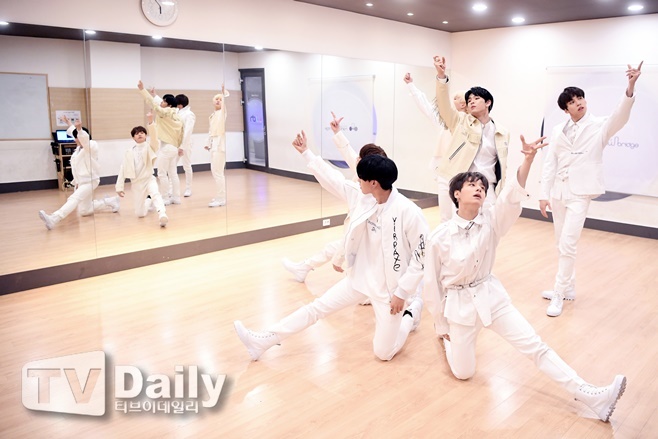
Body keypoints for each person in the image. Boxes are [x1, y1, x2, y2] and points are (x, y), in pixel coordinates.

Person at [395, 135, 626, 423]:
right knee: (464, 373)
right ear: (456, 194)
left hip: (491, 297)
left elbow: (511, 196)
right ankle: (448, 343)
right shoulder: (439, 237)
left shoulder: (491, 222)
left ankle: (592, 396)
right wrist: (441, 324)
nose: (479, 189)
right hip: (459, 307)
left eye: (483, 187)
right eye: (472, 185)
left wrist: (527, 160)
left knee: (535, 346)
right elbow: (431, 285)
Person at [234, 130, 429, 362]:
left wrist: (402, 293)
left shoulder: (409, 211)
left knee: (384, 353)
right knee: (317, 308)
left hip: (388, 291)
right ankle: (263, 341)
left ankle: (411, 314)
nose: (357, 181)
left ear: (374, 182)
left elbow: (421, 256)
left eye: (360, 178)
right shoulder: (362, 197)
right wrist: (306, 153)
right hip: (359, 279)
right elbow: (332, 178)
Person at [539, 62, 643, 317]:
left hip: (581, 193)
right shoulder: (558, 129)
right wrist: (543, 194)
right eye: (572, 102)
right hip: (559, 192)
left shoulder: (600, 125)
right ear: (565, 109)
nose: (578, 103)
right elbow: (550, 163)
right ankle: (568, 288)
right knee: (560, 243)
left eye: (580, 98)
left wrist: (630, 86)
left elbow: (621, 115)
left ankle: (559, 293)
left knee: (569, 244)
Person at [282, 112, 388, 289]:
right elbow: (350, 156)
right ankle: (304, 267)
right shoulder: (377, 178)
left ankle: (305, 268)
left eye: (359, 160)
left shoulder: (362, 192)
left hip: (368, 249)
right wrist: (337, 132)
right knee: (335, 248)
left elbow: (331, 177)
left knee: (343, 252)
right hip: (362, 242)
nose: (356, 160)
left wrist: (307, 153)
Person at [433, 55, 510, 212]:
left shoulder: (501, 132)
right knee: (451, 222)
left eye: (476, 98)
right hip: (459, 181)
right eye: (469, 101)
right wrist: (441, 77)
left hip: (486, 185)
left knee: (487, 222)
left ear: (488, 102)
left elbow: (501, 164)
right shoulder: (460, 121)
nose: (471, 102)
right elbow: (443, 105)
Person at [403, 72, 467, 223]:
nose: (452, 100)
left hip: (462, 172)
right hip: (443, 172)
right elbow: (425, 106)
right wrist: (411, 85)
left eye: (456, 98)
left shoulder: (471, 125)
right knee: (445, 213)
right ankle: (446, 236)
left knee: (459, 211)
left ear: (463, 104)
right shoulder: (443, 121)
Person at [39, 116, 119, 230]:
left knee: (74, 198)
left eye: (77, 137)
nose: (75, 139)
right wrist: (68, 123)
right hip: (81, 182)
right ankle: (110, 202)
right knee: (84, 211)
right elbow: (76, 136)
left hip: (90, 181)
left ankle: (54, 218)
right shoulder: (78, 150)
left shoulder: (92, 146)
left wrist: (80, 129)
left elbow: (84, 139)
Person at [115, 112, 168, 227]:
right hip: (136, 183)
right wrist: (119, 187)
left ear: (145, 135)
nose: (140, 134)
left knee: (156, 194)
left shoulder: (150, 147)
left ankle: (162, 214)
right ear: (133, 137)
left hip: (148, 179)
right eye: (137, 133)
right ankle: (148, 200)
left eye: (142, 133)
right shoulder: (129, 152)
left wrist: (151, 122)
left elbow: (154, 138)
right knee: (140, 214)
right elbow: (122, 169)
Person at [138, 80, 183, 206]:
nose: (161, 103)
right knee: (173, 174)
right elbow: (158, 104)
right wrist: (155, 95)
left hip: (167, 148)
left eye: (164, 101)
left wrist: (142, 90)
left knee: (162, 174)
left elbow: (154, 104)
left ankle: (165, 198)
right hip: (174, 148)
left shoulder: (165, 113)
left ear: (169, 105)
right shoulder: (176, 115)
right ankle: (176, 197)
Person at [205, 84, 230, 207]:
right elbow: (211, 131)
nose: (218, 101)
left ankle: (221, 198)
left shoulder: (222, 113)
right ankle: (220, 196)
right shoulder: (213, 115)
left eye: (220, 99)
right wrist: (207, 143)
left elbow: (224, 104)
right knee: (214, 171)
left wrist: (223, 93)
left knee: (218, 172)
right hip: (214, 145)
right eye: (216, 99)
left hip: (220, 146)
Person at [176, 94, 197, 197]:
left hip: (186, 144)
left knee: (186, 165)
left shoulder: (189, 114)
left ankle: (188, 188)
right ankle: (172, 189)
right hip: (175, 143)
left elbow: (188, 131)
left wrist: (182, 146)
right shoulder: (176, 112)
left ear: (180, 104)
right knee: (172, 166)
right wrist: (154, 95)